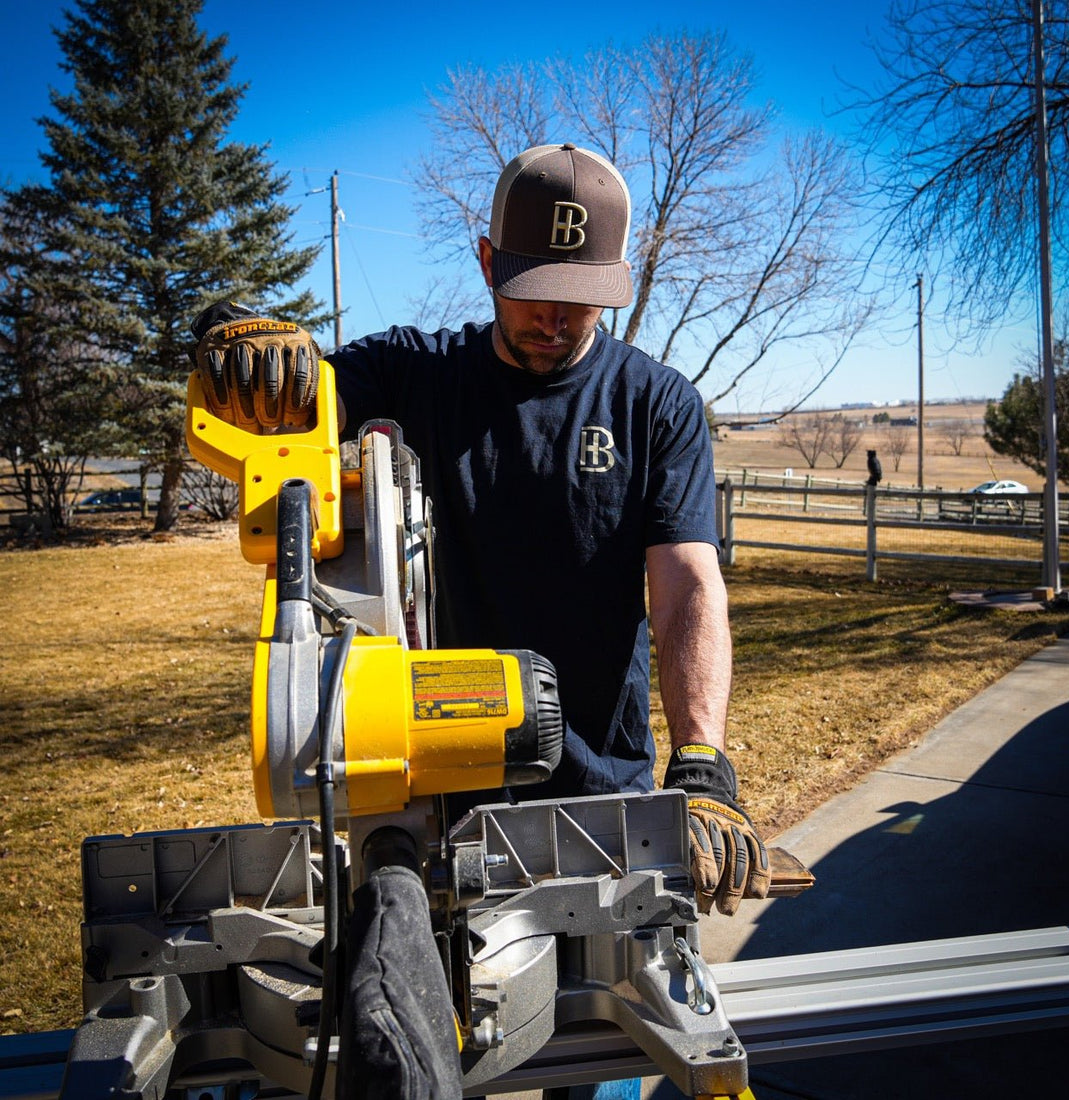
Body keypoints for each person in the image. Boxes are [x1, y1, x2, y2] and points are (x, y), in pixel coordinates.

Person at [192, 142, 771, 1099]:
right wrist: (228, 338)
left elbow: (687, 588)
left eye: (582, 294)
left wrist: (703, 764)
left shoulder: (654, 405)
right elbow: (272, 405)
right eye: (535, 286)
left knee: (603, 1057)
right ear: (486, 260)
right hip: (435, 813)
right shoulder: (417, 377)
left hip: (601, 811)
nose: (555, 317)